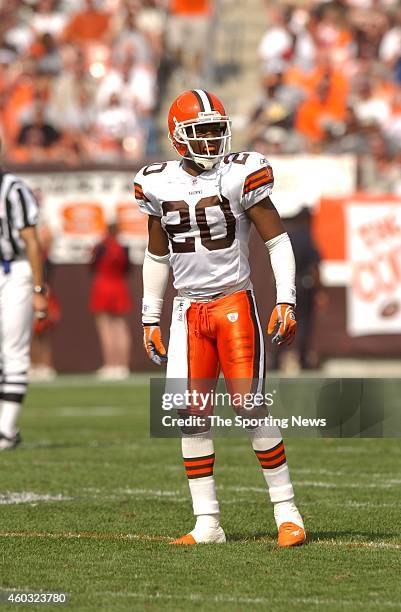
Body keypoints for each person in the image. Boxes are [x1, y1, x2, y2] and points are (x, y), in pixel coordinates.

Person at [135, 89, 306, 546]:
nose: (211, 140)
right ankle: (207, 522)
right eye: (201, 131)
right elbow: (156, 253)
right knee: (190, 415)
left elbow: (276, 240)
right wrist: (151, 315)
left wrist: (285, 299)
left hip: (233, 303)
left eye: (215, 130)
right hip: (188, 308)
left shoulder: (239, 174)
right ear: (177, 137)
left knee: (251, 407)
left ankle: (288, 514)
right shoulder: (156, 182)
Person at [0, 153, 48, 450]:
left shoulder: (12, 188)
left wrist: (39, 288)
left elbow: (31, 240)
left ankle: (6, 429)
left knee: (13, 349)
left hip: (14, 269)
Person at [89, 223, 132, 380]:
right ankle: (123, 366)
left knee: (105, 328)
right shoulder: (124, 248)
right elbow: (128, 269)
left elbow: (91, 266)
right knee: (121, 327)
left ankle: (110, 365)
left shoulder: (101, 247)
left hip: (103, 286)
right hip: (119, 286)